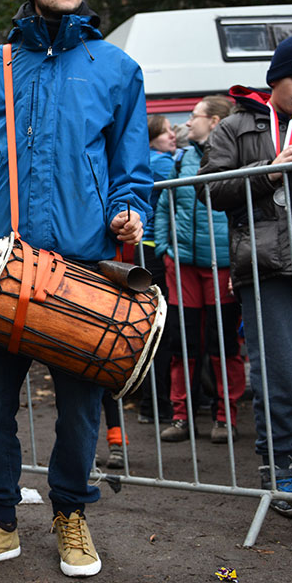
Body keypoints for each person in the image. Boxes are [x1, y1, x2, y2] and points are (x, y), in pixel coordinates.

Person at [0, 0, 151, 576]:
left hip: (83, 269)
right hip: (2, 265)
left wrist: (130, 208)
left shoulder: (116, 68)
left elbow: (129, 168)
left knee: (81, 407)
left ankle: (72, 517)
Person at [199, 32, 292, 516]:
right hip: (264, 267)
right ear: (274, 79)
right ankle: (278, 468)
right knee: (278, 372)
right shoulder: (236, 127)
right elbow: (210, 191)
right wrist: (268, 171)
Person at [156, 95, 243, 445]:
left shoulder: (236, 158)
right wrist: (166, 250)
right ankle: (180, 417)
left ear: (217, 122)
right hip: (183, 266)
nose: (188, 123)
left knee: (224, 345)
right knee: (183, 343)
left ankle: (226, 418)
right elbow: (165, 205)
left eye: (194, 116)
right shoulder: (181, 159)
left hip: (221, 266)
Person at [135, 115, 177, 425]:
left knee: (147, 328)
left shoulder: (140, 159)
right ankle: (160, 404)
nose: (173, 136)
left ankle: (149, 404)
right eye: (166, 133)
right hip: (155, 251)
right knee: (164, 329)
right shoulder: (162, 163)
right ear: (152, 139)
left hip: (138, 251)